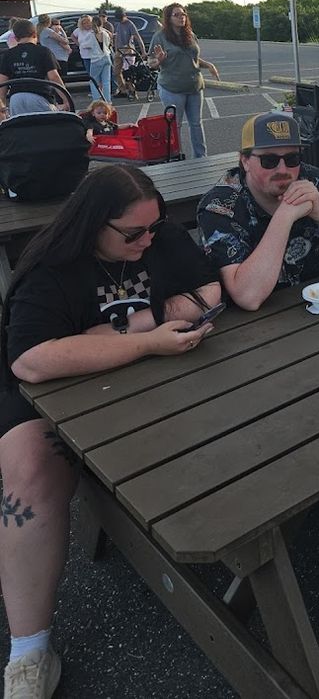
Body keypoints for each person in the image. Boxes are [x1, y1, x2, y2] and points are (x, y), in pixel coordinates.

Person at [0, 165, 221, 696]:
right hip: (53, 395)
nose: (149, 241)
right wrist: (148, 339)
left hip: (150, 380)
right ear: (93, 224)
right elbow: (30, 361)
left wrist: (121, 328)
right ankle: (29, 652)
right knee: (31, 475)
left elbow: (211, 291)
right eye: (133, 234)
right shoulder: (50, 267)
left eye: (155, 227)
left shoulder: (159, 235)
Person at [197, 111, 319, 310]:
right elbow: (248, 297)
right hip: (251, 323)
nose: (282, 170)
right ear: (245, 161)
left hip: (314, 305)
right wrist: (284, 216)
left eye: (292, 158)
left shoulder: (312, 180)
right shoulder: (219, 206)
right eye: (269, 161)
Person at [148, 3, 219, 158]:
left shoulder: (190, 34)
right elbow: (151, 63)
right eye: (177, 15)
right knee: (175, 125)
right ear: (168, 18)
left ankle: (200, 157)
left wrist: (208, 65)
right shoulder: (160, 37)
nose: (182, 17)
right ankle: (176, 157)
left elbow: (193, 58)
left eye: (183, 14)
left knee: (196, 123)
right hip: (172, 88)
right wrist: (159, 60)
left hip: (194, 86)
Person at [0, 19, 65, 117]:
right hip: (39, 95)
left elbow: (2, 83)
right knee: (47, 124)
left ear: (16, 38)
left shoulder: (8, 54)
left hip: (15, 98)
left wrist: (2, 106)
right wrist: (65, 99)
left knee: (20, 125)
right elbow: (54, 77)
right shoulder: (43, 51)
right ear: (35, 34)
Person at [72, 15, 112, 103]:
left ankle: (96, 100)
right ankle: (108, 100)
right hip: (106, 57)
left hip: (96, 59)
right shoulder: (105, 33)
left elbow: (85, 45)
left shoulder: (91, 35)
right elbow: (109, 42)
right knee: (106, 81)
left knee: (94, 81)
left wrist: (81, 45)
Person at [112, 9, 146, 98]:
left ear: (125, 16)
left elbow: (138, 38)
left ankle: (132, 90)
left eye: (121, 18)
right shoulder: (119, 25)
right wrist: (116, 49)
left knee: (128, 72)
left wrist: (143, 52)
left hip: (128, 50)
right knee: (116, 71)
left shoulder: (130, 24)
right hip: (119, 51)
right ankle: (122, 89)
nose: (120, 20)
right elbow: (117, 37)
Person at [36, 16, 71, 82]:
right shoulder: (48, 31)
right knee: (62, 78)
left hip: (51, 56)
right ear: (49, 22)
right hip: (58, 57)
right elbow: (65, 41)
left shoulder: (40, 31)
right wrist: (62, 30)